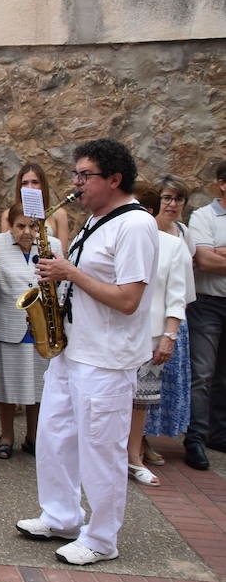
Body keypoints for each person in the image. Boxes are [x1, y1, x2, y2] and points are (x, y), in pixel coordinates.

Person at [15, 139, 158, 565]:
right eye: (75, 174)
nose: (75, 184)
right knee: (55, 436)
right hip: (72, 349)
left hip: (106, 358)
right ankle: (61, 516)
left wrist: (68, 272)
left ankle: (101, 538)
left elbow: (129, 298)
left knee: (100, 449)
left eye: (85, 175)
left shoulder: (134, 225)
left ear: (114, 179)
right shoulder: (98, 219)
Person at [126, 182, 195, 487]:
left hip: (151, 335)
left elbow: (177, 297)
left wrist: (169, 337)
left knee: (140, 402)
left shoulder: (173, 245)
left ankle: (133, 458)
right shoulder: (120, 239)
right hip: (115, 333)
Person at [0, 204, 60, 458]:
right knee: (7, 386)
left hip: (41, 327)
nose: (27, 232)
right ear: (11, 225)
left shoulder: (54, 246)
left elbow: (58, 287)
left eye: (33, 226)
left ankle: (33, 436)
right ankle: (6, 435)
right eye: (20, 226)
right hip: (8, 323)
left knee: (40, 386)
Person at [184, 159, 226, 471]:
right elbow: (206, 262)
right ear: (222, 184)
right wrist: (212, 255)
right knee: (203, 374)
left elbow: (214, 257)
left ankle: (218, 435)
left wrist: (219, 252)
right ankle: (195, 439)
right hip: (208, 303)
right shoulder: (203, 216)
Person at [1, 162, 72, 254]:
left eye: (35, 182)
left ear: (43, 185)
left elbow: (62, 251)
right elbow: (6, 247)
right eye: (24, 183)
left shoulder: (59, 214)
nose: (30, 187)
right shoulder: (7, 214)